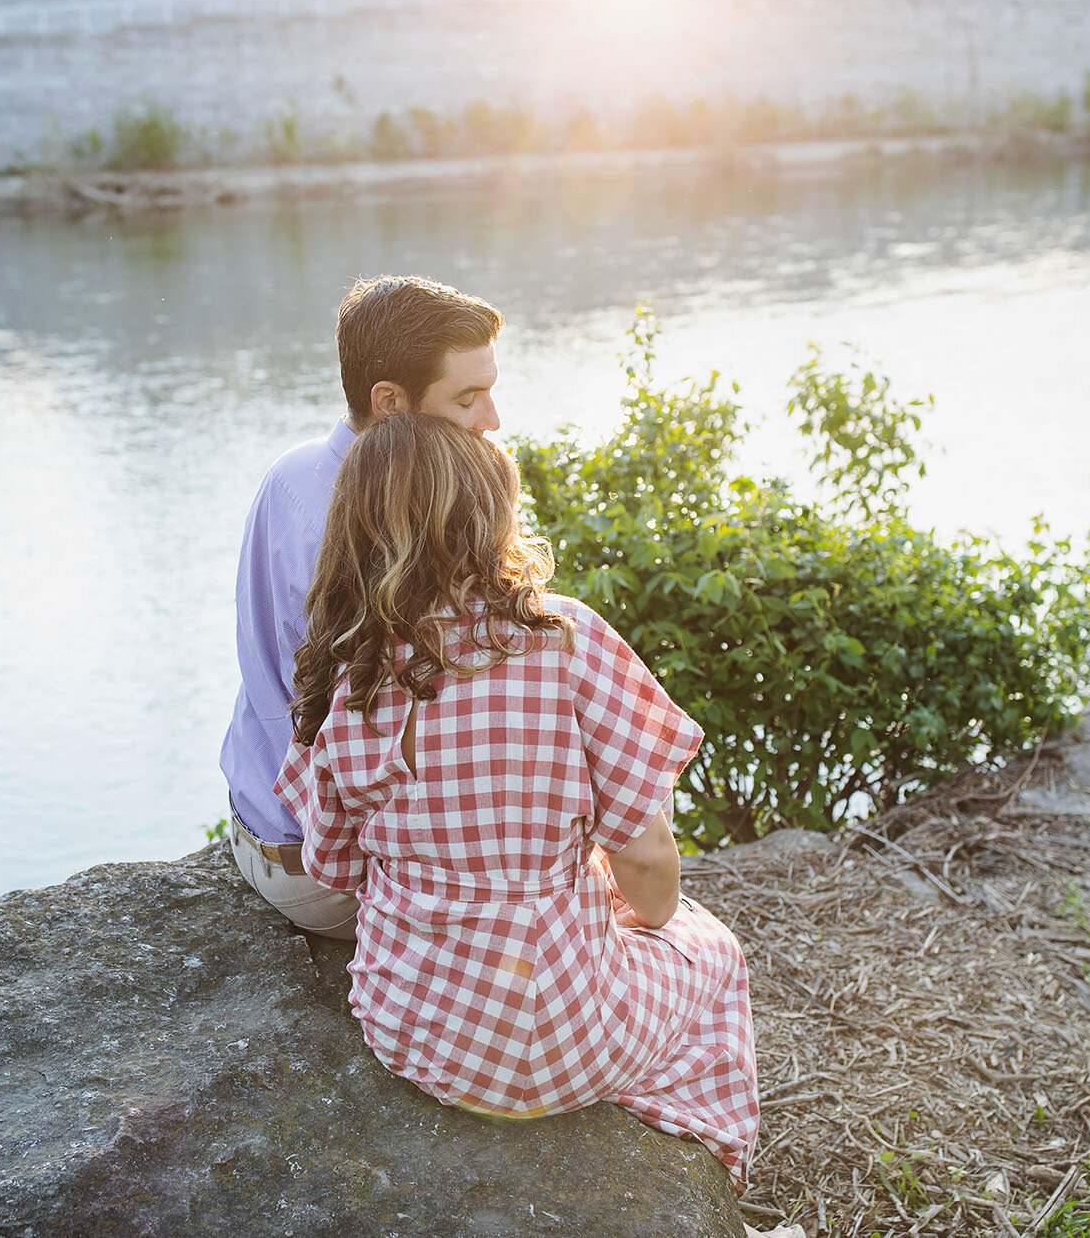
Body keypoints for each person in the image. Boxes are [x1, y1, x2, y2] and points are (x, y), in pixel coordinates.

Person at [272, 413, 759, 1191]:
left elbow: (333, 865)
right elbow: (644, 857)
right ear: (488, 517)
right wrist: (650, 920)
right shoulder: (566, 637)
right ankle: (713, 1158)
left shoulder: (346, 673)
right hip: (572, 1030)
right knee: (715, 952)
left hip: (417, 1032)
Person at [221, 275, 503, 940]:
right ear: (389, 402)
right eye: (469, 398)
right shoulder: (383, 540)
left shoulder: (294, 470)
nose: (492, 420)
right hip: (326, 870)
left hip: (257, 818)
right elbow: (412, 758)